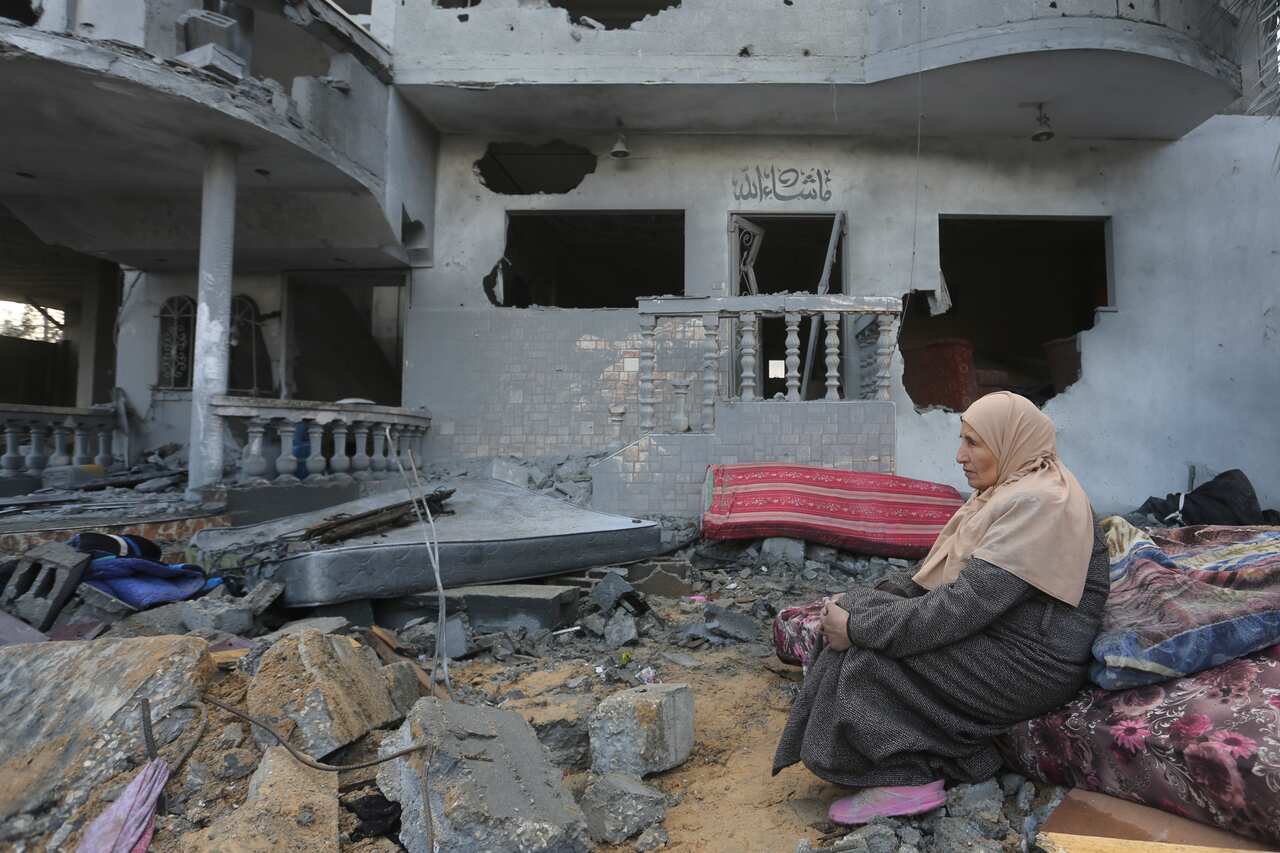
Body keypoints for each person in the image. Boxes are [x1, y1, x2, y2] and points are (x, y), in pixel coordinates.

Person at [771, 391, 1110, 825]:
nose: (959, 456)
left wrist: (860, 630)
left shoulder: (1041, 504)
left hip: (1031, 663)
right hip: (1001, 636)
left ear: (1010, 442)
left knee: (867, 659)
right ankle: (947, 760)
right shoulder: (1007, 491)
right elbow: (933, 578)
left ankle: (906, 779)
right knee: (861, 610)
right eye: (962, 440)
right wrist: (857, 607)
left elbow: (964, 605)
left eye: (974, 443)